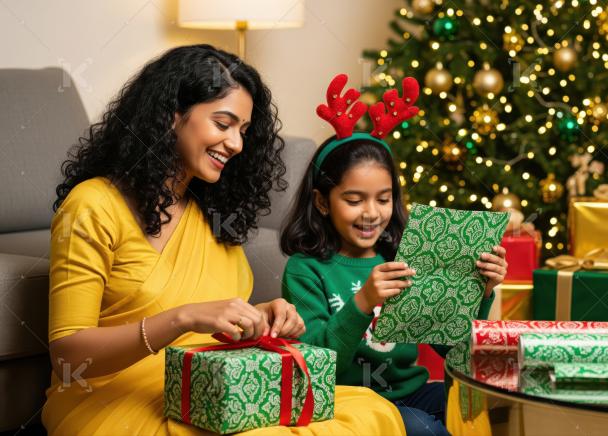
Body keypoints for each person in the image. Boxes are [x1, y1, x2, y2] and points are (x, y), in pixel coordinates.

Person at [43, 45, 405, 435]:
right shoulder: (93, 206)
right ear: (171, 115)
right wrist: (182, 319)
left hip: (214, 385)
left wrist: (262, 315)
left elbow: (215, 323)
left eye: (244, 131)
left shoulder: (210, 213)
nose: (235, 144)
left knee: (371, 410)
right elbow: (69, 354)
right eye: (223, 123)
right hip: (114, 395)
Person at [280, 74, 508, 436]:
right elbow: (316, 367)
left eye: (383, 199)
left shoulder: (405, 255)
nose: (371, 212)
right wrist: (362, 303)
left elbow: (450, 344)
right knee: (426, 430)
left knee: (488, 406)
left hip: (410, 391)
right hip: (351, 400)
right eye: (354, 200)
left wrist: (479, 291)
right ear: (323, 202)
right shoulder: (305, 270)